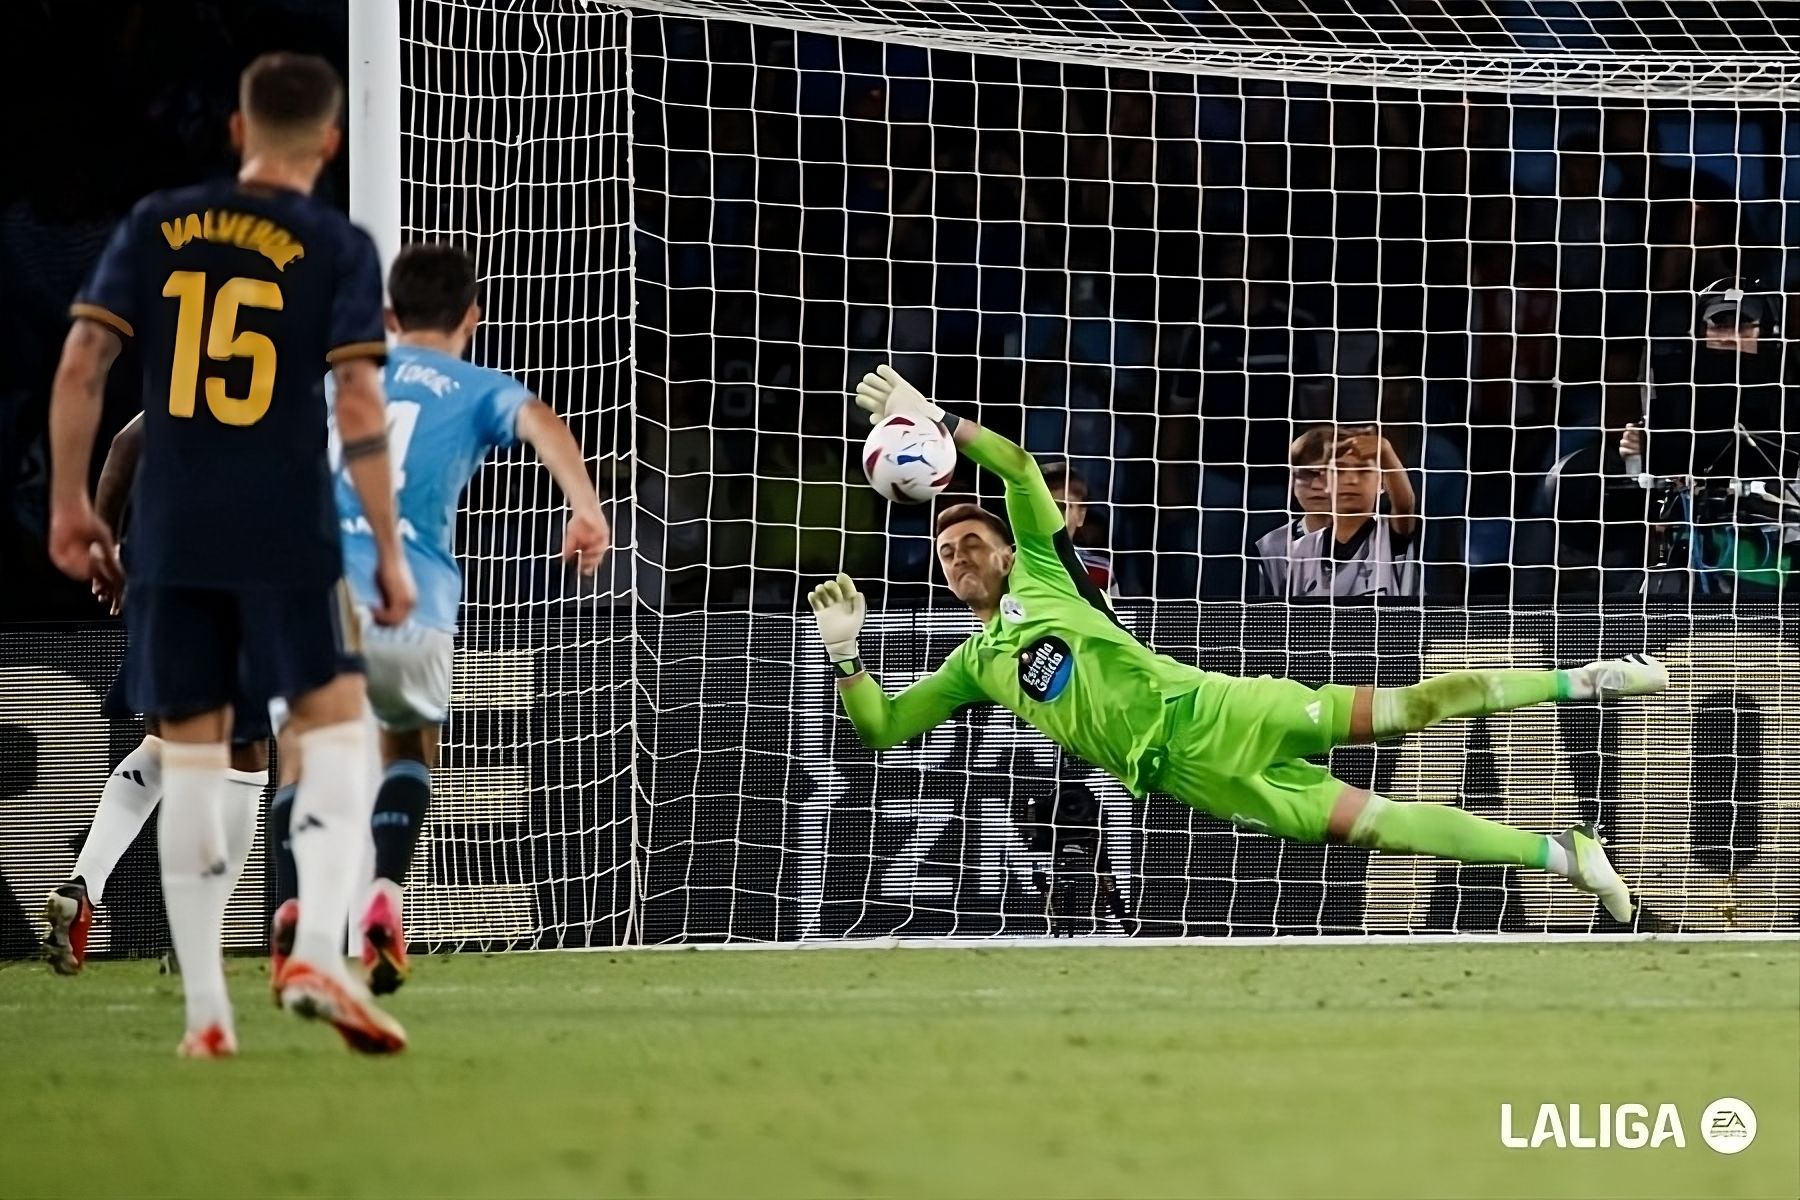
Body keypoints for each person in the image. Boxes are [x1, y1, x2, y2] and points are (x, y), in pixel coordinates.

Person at [811, 366, 1664, 925]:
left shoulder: (1046, 572)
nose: (958, 557)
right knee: (1387, 828)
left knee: (1411, 708)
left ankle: (1583, 680)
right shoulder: (972, 665)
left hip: (1220, 708)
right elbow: (885, 729)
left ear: (1006, 549)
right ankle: (1567, 854)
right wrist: (846, 656)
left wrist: (940, 420)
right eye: (945, 552)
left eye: (970, 543)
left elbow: (1022, 469)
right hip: (1193, 776)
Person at [47, 52, 414, 1057]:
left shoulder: (159, 222)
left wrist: (73, 507)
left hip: (170, 531)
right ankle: (314, 959)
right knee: (337, 734)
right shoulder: (334, 243)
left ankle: (207, 1014)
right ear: (330, 144)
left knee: (195, 760)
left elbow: (87, 361)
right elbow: (354, 400)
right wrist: (385, 548)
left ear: (236, 133)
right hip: (283, 524)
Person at [267, 242, 610, 997]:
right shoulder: (480, 384)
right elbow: (542, 421)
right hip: (416, 592)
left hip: (318, 588)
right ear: (473, 318)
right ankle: (384, 892)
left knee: (297, 747)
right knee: (408, 749)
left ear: (388, 316)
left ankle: (293, 902)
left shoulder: (341, 381)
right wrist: (584, 507)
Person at [41, 414, 273, 976]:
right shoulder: (283, 367)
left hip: (160, 557)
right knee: (246, 754)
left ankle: (85, 883)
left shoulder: (187, 360)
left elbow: (125, 441)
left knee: (166, 741)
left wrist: (109, 539)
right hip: (242, 563)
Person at [1255, 424, 1420, 598]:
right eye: (1340, 471)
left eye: (1363, 470)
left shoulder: (1388, 536)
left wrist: (1385, 450)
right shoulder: (1298, 552)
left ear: (1382, 483)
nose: (1351, 480)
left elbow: (1405, 505)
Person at [1039, 460, 1117, 597]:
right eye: (1044, 507)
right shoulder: (1006, 564)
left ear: (1081, 515)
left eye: (1063, 508)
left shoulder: (1100, 572)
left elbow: (1118, 618)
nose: (1052, 516)